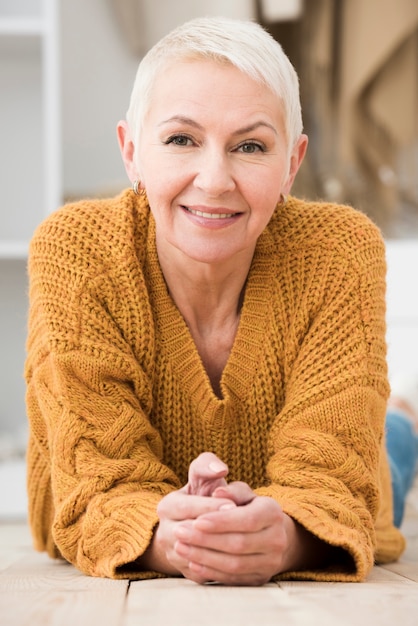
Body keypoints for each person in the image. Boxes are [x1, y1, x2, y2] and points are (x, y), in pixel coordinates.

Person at [25, 16, 411, 586]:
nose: (214, 179)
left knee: (393, 450)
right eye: (181, 139)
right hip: (141, 522)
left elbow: (335, 482)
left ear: (293, 165)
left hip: (338, 490)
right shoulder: (76, 250)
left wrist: (283, 538)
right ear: (131, 152)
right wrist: (170, 537)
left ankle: (403, 417)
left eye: (250, 146)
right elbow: (99, 485)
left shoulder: (341, 251)